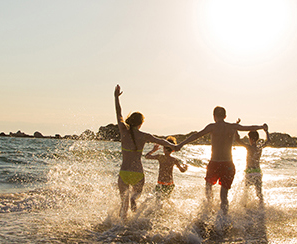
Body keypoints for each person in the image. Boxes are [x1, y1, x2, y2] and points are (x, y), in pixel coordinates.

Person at [175, 106, 267, 213]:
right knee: (224, 196)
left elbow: (196, 135)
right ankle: (224, 219)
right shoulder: (232, 127)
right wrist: (262, 126)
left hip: (214, 163)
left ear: (214, 116)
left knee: (208, 187)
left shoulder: (212, 127)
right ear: (225, 116)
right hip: (228, 164)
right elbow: (248, 127)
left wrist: (181, 144)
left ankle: (209, 210)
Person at [114, 85, 177, 220]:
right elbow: (160, 141)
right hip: (138, 173)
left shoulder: (123, 131)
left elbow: (119, 114)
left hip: (124, 172)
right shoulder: (144, 135)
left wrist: (116, 98)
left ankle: (119, 229)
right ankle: (134, 206)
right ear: (141, 124)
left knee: (123, 205)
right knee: (135, 196)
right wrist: (174, 146)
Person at [234, 123, 270, 205]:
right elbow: (268, 141)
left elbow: (238, 140)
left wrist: (236, 127)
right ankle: (261, 208)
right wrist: (266, 131)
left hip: (249, 172)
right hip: (257, 172)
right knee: (259, 193)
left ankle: (245, 207)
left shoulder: (249, 147)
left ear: (250, 138)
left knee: (246, 192)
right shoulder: (259, 148)